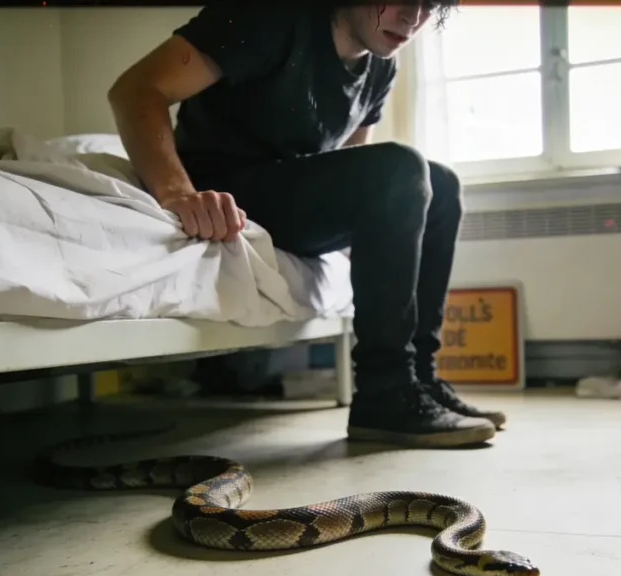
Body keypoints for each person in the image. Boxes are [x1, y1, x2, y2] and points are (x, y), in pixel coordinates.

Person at [108, 1, 506, 447]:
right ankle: (384, 390)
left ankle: (420, 381)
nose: (413, 18)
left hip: (292, 196)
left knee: (442, 185)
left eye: (428, 5)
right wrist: (177, 193)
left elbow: (357, 169)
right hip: (227, 191)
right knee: (400, 165)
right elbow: (136, 89)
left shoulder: (380, 67)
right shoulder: (268, 15)